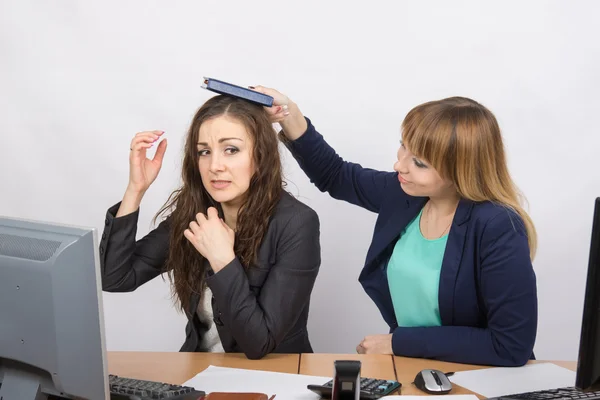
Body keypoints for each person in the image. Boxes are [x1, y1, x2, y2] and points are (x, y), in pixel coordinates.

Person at [251, 85, 538, 367]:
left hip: (479, 377)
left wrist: (397, 343)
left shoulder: (499, 226)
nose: (399, 165)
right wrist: (289, 112)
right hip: (416, 367)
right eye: (403, 146)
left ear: (460, 169)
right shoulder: (406, 194)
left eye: (419, 162)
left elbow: (510, 345)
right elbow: (336, 176)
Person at [98, 95, 321, 359]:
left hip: (270, 376)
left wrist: (222, 259)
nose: (215, 166)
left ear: (260, 156)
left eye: (231, 150)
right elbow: (115, 278)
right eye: (204, 151)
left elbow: (259, 344)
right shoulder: (195, 212)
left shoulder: (297, 223)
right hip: (199, 373)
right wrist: (135, 190)